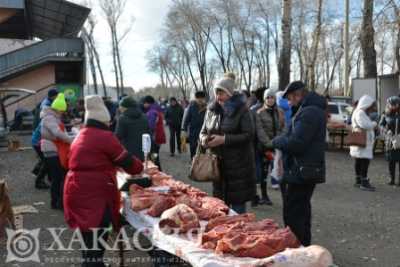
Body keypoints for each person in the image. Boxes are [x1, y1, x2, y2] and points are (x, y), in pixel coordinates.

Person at [64, 95, 143, 267]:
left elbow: (72, 161)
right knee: (97, 235)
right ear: (104, 120)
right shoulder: (105, 136)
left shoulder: (80, 135)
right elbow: (131, 165)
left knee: (87, 237)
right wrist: (140, 166)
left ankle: (90, 262)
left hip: (75, 188)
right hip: (94, 193)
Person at [271, 81, 326, 246]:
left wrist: (277, 141)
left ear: (298, 95)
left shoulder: (308, 113)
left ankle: (298, 251)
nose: (289, 102)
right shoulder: (311, 110)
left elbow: (297, 143)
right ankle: (304, 247)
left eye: (290, 98)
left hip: (300, 172)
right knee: (302, 212)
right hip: (305, 170)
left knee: (294, 215)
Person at [200, 73, 256, 214]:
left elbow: (249, 135)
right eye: (217, 92)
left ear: (230, 93)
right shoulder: (211, 110)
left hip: (238, 168)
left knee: (237, 213)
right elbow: (202, 132)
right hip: (218, 167)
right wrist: (204, 141)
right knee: (220, 209)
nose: (218, 96)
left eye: (222, 92)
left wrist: (224, 139)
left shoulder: (242, 110)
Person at [41, 93, 74, 209]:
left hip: (52, 150)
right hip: (52, 151)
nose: (62, 113)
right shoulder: (50, 118)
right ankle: (57, 203)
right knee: (58, 178)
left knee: (57, 177)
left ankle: (57, 202)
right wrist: (71, 141)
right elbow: (57, 133)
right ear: (57, 109)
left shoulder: (52, 117)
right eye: (62, 111)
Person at [255, 89, 285, 205]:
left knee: (278, 169)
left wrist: (279, 140)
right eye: (267, 97)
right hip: (264, 147)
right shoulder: (259, 113)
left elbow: (283, 127)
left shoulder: (280, 112)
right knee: (263, 171)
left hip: (277, 146)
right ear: (264, 99)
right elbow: (260, 130)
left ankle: (282, 194)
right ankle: (263, 195)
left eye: (272, 97)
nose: (270, 99)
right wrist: (269, 143)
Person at [349, 95, 377, 191]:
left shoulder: (358, 111)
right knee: (364, 161)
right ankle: (363, 182)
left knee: (359, 161)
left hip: (360, 141)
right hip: (363, 141)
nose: (372, 107)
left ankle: (359, 180)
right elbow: (365, 125)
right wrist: (374, 124)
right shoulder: (360, 113)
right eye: (371, 105)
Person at [115, 96, 150, 161]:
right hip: (142, 151)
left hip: (128, 152)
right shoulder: (144, 116)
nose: (119, 108)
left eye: (120, 106)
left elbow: (118, 136)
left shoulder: (122, 118)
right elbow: (148, 133)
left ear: (125, 107)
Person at [380, 96, 400, 186]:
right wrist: (386, 131)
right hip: (390, 140)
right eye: (391, 104)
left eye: (395, 104)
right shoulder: (385, 114)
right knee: (391, 160)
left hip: (399, 139)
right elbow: (381, 125)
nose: (392, 106)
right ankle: (391, 179)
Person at [182, 91, 207, 159]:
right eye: (198, 99)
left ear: (204, 99)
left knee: (203, 147)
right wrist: (184, 129)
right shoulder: (191, 106)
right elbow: (187, 118)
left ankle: (201, 161)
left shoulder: (207, 108)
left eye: (201, 98)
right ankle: (192, 160)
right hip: (193, 130)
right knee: (193, 146)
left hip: (204, 131)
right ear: (196, 99)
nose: (200, 100)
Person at [143, 95, 166, 170]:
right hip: (158, 136)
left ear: (148, 103)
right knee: (155, 155)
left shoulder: (152, 112)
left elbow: (151, 126)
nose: (143, 105)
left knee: (154, 156)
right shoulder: (156, 109)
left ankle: (159, 172)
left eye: (144, 103)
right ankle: (158, 171)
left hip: (155, 137)